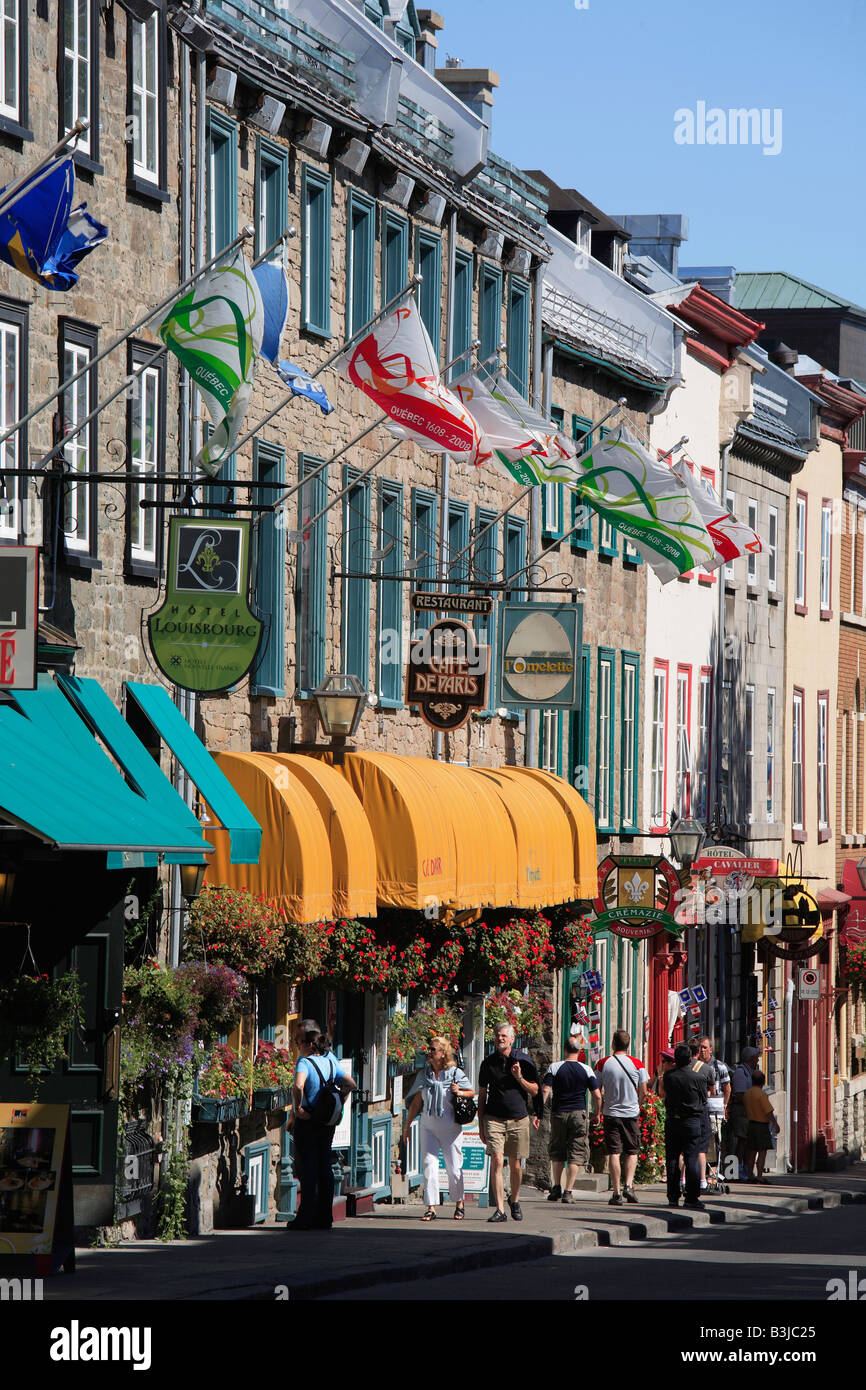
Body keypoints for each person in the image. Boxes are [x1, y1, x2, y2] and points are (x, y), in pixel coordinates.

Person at [289, 1019, 355, 1232]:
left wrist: (298, 1109)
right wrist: (340, 1101)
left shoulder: (304, 1062)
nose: (297, 1045)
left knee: (307, 1169)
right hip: (326, 1122)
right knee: (324, 1168)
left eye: (299, 1041)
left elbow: (298, 1085)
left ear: (309, 1043)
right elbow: (351, 1083)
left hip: (308, 1121)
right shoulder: (330, 1059)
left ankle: (304, 1218)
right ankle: (324, 1217)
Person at [400, 1036, 475, 1222]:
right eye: (429, 1049)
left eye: (433, 1049)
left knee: (454, 1168)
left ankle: (459, 1202)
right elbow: (416, 1102)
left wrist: (459, 1092)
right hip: (428, 1127)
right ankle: (431, 1207)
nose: (429, 1052)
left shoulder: (455, 1073)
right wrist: (407, 1125)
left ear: (443, 1053)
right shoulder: (423, 1075)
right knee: (429, 1166)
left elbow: (471, 1092)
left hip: (451, 1127)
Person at [477, 1022, 539, 1223]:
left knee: (516, 1164)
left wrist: (519, 1077)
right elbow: (481, 1095)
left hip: (518, 1119)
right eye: (497, 1035)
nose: (500, 1038)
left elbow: (535, 1091)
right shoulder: (488, 1064)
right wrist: (480, 1124)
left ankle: (515, 1199)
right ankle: (500, 1210)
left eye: (504, 1035)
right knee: (496, 1160)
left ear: (512, 1039)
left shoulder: (523, 1061)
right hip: (494, 1118)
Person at [542, 1036, 601, 1203]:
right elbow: (596, 1095)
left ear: (564, 1049)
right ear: (579, 1051)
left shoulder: (554, 1067)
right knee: (575, 1152)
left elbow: (546, 1090)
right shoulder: (587, 1069)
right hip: (578, 1113)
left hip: (559, 1112)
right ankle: (568, 1191)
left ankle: (556, 1188)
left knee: (557, 1151)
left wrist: (539, 1112)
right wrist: (597, 1113)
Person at [597, 1029, 648, 1206]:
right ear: (628, 1045)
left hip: (611, 1113)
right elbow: (644, 1090)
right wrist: (638, 1105)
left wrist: (600, 1106)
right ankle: (629, 1185)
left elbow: (597, 1089)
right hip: (630, 1113)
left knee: (614, 1152)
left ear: (613, 1043)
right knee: (632, 1151)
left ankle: (617, 1192)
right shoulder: (637, 1064)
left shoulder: (603, 1064)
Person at [661, 1042, 709, 1210]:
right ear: (690, 1059)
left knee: (673, 1159)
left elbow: (664, 1094)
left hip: (673, 1120)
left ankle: (673, 1196)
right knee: (691, 1159)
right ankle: (691, 1197)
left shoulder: (669, 1076)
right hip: (691, 1121)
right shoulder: (699, 1078)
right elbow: (704, 1099)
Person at [697, 1036, 731, 1178]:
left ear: (710, 1049)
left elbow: (727, 1087)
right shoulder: (695, 1066)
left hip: (714, 1110)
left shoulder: (719, 1066)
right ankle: (702, 1173)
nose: (702, 1050)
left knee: (714, 1141)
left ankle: (712, 1173)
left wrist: (724, 1105)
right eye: (700, 1047)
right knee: (701, 1143)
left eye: (705, 1047)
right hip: (700, 1109)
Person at [726, 1046, 759, 1180]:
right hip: (742, 1111)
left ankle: (747, 1170)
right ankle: (736, 1171)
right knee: (741, 1141)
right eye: (756, 1057)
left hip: (751, 1111)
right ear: (751, 1058)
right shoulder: (741, 1072)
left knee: (749, 1142)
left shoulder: (753, 1071)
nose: (757, 1059)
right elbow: (739, 1093)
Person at [687, 1036, 715, 1193]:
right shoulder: (707, 1069)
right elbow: (712, 1090)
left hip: (684, 1111)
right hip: (701, 1109)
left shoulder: (680, 1068)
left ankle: (682, 1179)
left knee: (685, 1148)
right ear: (699, 1051)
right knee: (701, 1147)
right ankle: (702, 1181)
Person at [743, 1070, 779, 1183]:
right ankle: (759, 1176)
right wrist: (775, 1123)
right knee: (762, 1152)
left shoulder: (747, 1093)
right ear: (763, 1082)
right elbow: (768, 1111)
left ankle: (749, 1175)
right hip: (761, 1125)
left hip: (751, 1124)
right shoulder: (761, 1094)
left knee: (751, 1152)